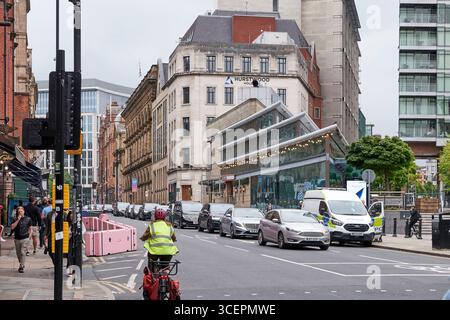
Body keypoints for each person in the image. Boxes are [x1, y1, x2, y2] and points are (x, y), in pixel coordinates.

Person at [140, 209, 178, 273]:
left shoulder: (152, 225)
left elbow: (145, 236)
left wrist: (142, 238)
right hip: (168, 251)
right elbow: (174, 238)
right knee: (165, 264)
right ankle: (166, 270)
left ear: (155, 217)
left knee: (151, 263)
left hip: (154, 252)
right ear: (165, 217)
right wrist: (173, 240)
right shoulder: (169, 225)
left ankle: (153, 272)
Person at [11, 207, 32, 273]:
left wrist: (29, 236)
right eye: (19, 211)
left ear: (24, 211)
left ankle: (21, 266)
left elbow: (30, 228)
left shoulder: (28, 219)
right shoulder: (15, 219)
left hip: (25, 238)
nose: (20, 212)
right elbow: (12, 227)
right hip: (17, 238)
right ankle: (21, 263)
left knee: (23, 252)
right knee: (18, 253)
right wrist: (17, 220)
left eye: (21, 211)